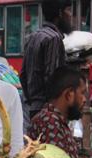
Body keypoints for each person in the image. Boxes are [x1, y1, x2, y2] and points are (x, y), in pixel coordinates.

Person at [19, 0, 71, 128]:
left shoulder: (34, 36)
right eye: (68, 10)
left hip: (34, 109)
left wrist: (32, 101)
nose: (71, 16)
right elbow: (52, 77)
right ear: (60, 13)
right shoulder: (53, 38)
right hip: (48, 112)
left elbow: (23, 75)